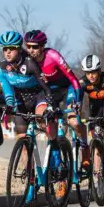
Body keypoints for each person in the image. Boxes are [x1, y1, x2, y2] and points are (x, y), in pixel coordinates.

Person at [0, 31, 57, 201]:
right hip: (21, 101)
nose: (7, 52)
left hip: (38, 97)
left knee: (41, 120)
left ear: (19, 49)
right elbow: (8, 91)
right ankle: (30, 181)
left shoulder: (30, 63)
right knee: (22, 142)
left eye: (12, 49)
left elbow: (46, 87)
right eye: (5, 49)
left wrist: (50, 104)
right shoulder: (0, 69)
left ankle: (56, 151)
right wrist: (8, 106)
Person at [24, 30, 88, 169]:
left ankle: (84, 147)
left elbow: (73, 79)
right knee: (41, 119)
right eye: (28, 46)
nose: (31, 50)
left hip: (66, 89)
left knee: (74, 122)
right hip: (47, 91)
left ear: (42, 46)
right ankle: (56, 155)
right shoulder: (27, 60)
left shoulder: (53, 56)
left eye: (35, 47)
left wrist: (76, 103)